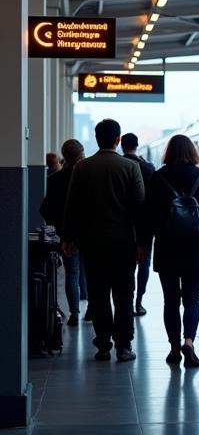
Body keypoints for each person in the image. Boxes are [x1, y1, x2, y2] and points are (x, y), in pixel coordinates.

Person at [63, 119, 145, 362]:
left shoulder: (82, 168)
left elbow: (72, 206)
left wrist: (68, 237)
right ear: (118, 139)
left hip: (93, 242)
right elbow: (139, 207)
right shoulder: (130, 167)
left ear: (97, 139)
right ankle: (123, 346)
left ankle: (103, 345)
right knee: (123, 294)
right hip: (123, 243)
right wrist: (142, 243)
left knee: (98, 294)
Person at [142, 134, 199, 368]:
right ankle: (189, 342)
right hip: (195, 249)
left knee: (170, 301)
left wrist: (154, 235)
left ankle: (174, 349)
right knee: (192, 299)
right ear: (192, 152)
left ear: (168, 153)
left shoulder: (158, 177)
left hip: (167, 249)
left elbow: (147, 214)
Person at [39, 138, 90, 327]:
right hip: (89, 231)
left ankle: (74, 313)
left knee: (72, 273)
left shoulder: (55, 179)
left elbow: (45, 209)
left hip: (67, 233)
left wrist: (58, 227)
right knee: (91, 272)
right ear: (81, 152)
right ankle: (91, 309)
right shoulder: (88, 174)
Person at [121, 132, 156, 316]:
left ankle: (125, 301)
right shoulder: (149, 168)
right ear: (137, 145)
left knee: (126, 266)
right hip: (145, 226)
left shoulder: (119, 166)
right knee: (144, 264)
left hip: (122, 226)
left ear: (121, 145)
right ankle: (138, 303)